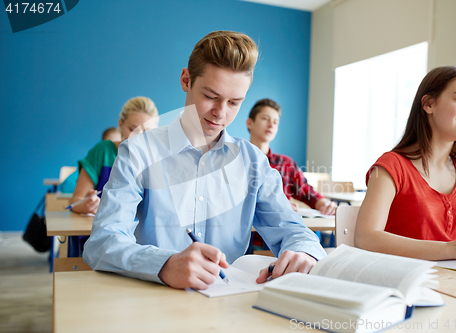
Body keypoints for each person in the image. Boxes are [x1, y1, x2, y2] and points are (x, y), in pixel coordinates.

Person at [83, 31, 326, 290]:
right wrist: (164, 264)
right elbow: (102, 242)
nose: (220, 113)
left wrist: (304, 252)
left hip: (228, 305)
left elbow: (294, 230)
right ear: (186, 80)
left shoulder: (253, 161)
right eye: (210, 96)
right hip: (152, 301)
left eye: (234, 102)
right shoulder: (139, 151)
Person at [355, 66, 456, 261]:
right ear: (428, 104)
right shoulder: (391, 166)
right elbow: (366, 239)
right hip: (403, 283)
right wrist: (452, 249)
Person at [69, 97, 159, 215]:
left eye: (147, 132)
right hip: (100, 229)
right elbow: (76, 201)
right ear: (120, 124)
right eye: (133, 129)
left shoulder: (158, 160)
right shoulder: (103, 151)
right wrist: (86, 205)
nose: (139, 137)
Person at [246, 98, 336, 215]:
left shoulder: (285, 163)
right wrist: (277, 204)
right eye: (265, 118)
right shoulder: (238, 160)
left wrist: (323, 203)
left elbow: (305, 191)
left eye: (275, 122)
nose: (271, 125)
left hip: (282, 230)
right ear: (249, 123)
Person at [59, 127, 125, 194]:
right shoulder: (93, 166)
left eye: (118, 142)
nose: (114, 146)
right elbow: (67, 185)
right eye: (110, 144)